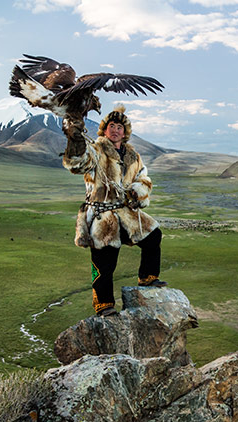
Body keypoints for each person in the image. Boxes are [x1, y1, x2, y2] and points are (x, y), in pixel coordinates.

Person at [62, 104, 167, 317]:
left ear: (125, 131)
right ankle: (104, 305)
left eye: (120, 126)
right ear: (104, 128)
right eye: (112, 125)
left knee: (153, 235)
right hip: (102, 214)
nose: (116, 130)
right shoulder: (96, 149)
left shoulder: (132, 155)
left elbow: (143, 177)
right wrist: (75, 142)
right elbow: (77, 164)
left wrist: (138, 191)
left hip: (125, 210)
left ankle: (147, 277)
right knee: (105, 262)